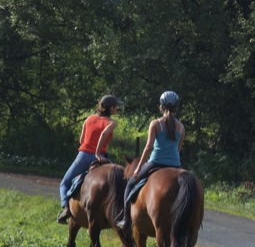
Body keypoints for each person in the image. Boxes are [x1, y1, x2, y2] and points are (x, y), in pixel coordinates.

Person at [116, 91, 185, 232]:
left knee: (130, 185)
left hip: (155, 163)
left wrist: (138, 168)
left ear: (161, 106)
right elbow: (178, 149)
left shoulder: (156, 124)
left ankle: (126, 220)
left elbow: (148, 147)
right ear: (176, 107)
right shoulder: (181, 127)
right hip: (176, 165)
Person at [57, 95, 121, 223]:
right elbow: (104, 134)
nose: (117, 108)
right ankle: (121, 213)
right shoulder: (112, 123)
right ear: (111, 108)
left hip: (83, 156)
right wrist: (97, 152)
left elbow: (81, 140)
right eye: (116, 106)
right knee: (120, 180)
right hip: (100, 157)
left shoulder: (89, 118)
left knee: (64, 183)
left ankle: (65, 208)